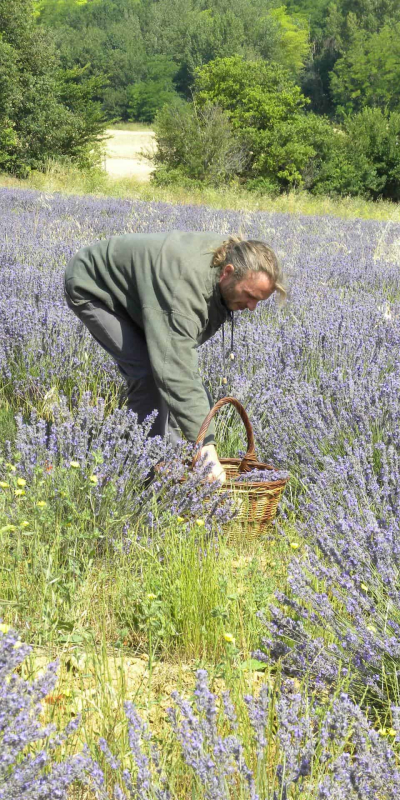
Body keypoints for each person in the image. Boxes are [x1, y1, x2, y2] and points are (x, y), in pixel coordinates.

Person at [64, 231, 285, 483]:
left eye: (260, 300)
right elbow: (174, 370)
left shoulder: (223, 276)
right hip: (95, 287)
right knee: (148, 374)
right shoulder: (185, 288)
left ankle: (163, 461)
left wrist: (199, 436)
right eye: (250, 295)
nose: (252, 307)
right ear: (227, 272)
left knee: (166, 372)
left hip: (142, 296)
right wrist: (207, 449)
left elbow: (182, 363)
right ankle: (141, 475)